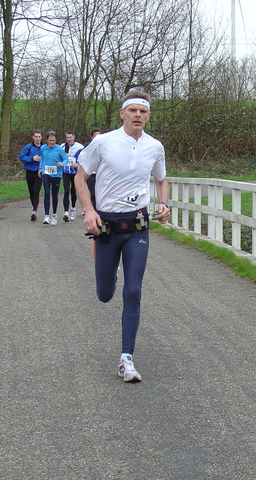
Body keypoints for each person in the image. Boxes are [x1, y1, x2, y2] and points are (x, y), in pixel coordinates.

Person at [75, 90, 170, 383]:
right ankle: (109, 273)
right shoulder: (103, 143)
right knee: (105, 295)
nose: (138, 116)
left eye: (143, 111)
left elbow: (161, 179)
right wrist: (89, 210)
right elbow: (80, 177)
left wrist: (164, 203)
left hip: (137, 228)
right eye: (133, 111)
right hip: (106, 226)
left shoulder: (155, 147)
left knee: (134, 290)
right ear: (122, 114)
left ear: (149, 116)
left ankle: (126, 358)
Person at [38, 131, 69, 225]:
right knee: (46, 193)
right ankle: (46, 216)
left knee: (54, 194)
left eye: (54, 140)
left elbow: (66, 159)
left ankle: (54, 215)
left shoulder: (59, 149)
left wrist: (62, 164)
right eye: (50, 140)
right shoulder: (43, 148)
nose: (52, 142)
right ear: (46, 140)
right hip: (46, 173)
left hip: (56, 174)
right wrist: (40, 168)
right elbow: (42, 159)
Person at [18, 129, 43, 220]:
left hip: (39, 172)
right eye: (36, 137)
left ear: (41, 137)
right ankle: (34, 208)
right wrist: (32, 158)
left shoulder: (44, 147)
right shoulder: (29, 147)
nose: (37, 139)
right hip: (29, 172)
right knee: (31, 192)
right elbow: (21, 157)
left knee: (36, 191)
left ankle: (34, 211)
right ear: (33, 137)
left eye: (39, 137)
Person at [75, 128, 101, 213]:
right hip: (91, 173)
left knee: (100, 193)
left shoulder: (104, 146)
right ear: (92, 137)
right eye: (95, 136)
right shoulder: (88, 147)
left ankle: (99, 210)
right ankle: (92, 210)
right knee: (92, 193)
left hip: (100, 174)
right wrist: (78, 164)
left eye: (99, 136)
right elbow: (80, 157)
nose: (97, 138)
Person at [60, 131, 84, 222]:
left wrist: (78, 164)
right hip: (66, 172)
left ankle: (73, 209)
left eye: (70, 137)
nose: (68, 139)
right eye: (67, 138)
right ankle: (66, 212)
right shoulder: (62, 147)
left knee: (74, 192)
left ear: (74, 138)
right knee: (66, 191)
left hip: (75, 173)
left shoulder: (80, 147)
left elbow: (85, 158)